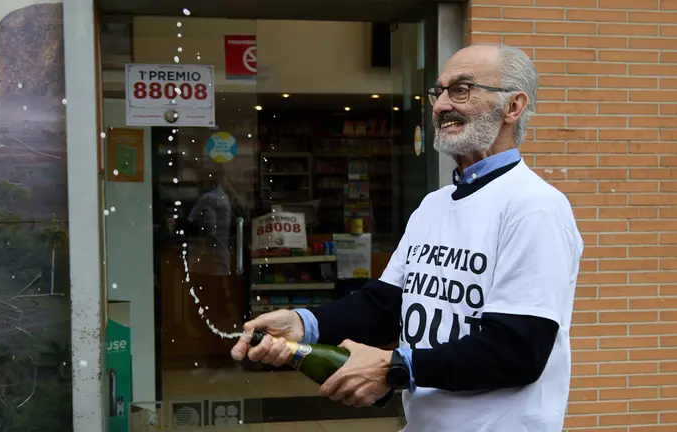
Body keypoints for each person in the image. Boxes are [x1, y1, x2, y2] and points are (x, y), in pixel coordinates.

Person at [231, 43, 584, 432]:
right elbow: (386, 305)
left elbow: (518, 351)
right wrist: (304, 322)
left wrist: (395, 367)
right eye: (438, 92)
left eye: (461, 89)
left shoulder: (535, 208)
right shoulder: (433, 205)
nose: (440, 106)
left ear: (513, 107)